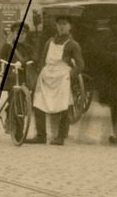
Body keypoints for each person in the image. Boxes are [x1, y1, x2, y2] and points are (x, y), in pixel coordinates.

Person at [30, 15, 84, 146]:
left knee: (63, 106)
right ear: (56, 26)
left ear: (70, 27)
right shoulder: (50, 42)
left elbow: (80, 65)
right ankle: (41, 135)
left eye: (65, 24)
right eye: (59, 24)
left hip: (62, 76)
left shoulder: (72, 44)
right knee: (38, 103)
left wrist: (69, 75)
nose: (62, 26)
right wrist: (43, 72)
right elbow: (43, 59)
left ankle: (60, 137)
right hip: (47, 75)